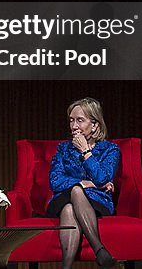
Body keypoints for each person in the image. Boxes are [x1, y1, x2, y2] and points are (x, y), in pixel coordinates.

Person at [47, 97, 119, 269]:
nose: (74, 126)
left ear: (94, 125)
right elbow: (55, 180)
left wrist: (85, 151)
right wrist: (85, 182)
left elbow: (103, 177)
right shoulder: (63, 149)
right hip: (62, 198)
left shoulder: (110, 150)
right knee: (74, 195)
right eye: (71, 120)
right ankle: (99, 250)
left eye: (80, 120)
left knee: (72, 203)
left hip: (96, 201)